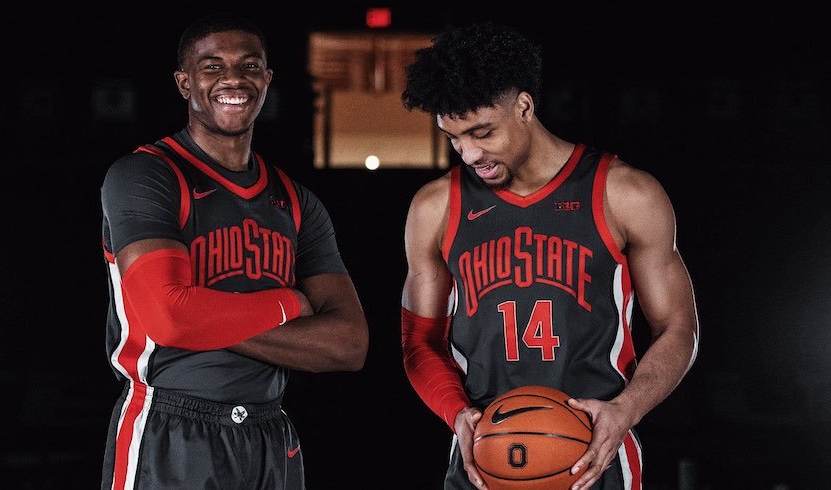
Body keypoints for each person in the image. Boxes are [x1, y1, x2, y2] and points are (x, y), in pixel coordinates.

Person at [399, 21, 699, 490]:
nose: (470, 153)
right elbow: (419, 343)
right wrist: (456, 414)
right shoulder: (435, 207)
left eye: (482, 132)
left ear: (524, 105)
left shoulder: (624, 194)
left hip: (594, 457)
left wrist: (625, 410)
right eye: (453, 138)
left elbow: (678, 328)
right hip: (484, 460)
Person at [99, 12, 369, 490]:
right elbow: (169, 319)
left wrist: (204, 314)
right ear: (184, 83)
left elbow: (349, 344)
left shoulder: (296, 201)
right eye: (212, 66)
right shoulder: (146, 176)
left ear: (266, 79)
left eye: (249, 66)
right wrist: (290, 307)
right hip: (170, 421)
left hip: (271, 428)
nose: (233, 79)